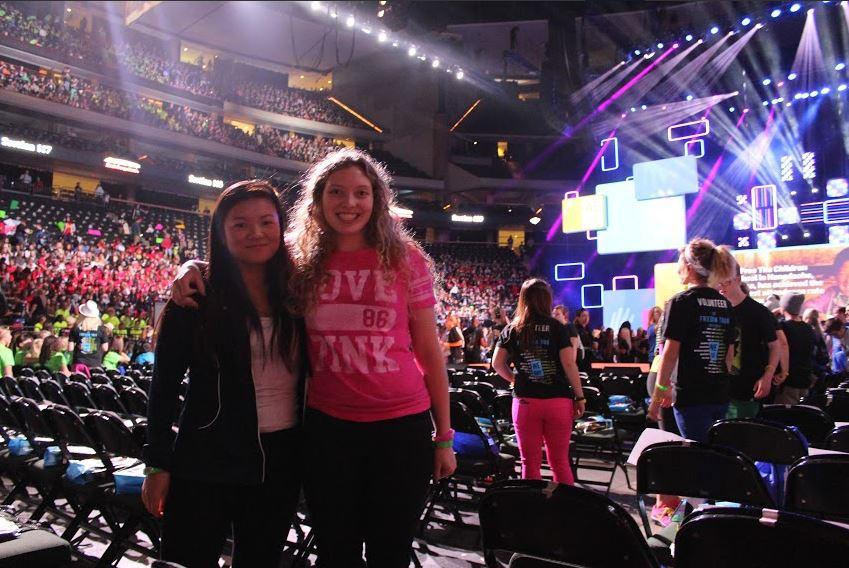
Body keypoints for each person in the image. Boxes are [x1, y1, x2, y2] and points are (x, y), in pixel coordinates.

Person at [169, 149, 456, 567]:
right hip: (328, 431)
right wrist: (189, 265)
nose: (349, 203)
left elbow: (430, 353)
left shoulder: (406, 259)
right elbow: (242, 254)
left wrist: (444, 436)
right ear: (319, 198)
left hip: (402, 429)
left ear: (377, 199)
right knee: (335, 552)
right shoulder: (297, 256)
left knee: (390, 552)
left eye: (361, 193)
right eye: (337, 192)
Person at [142, 180, 306, 567]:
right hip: (206, 458)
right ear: (221, 232)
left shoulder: (300, 293)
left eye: (267, 222)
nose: (256, 233)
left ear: (282, 228)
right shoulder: (195, 296)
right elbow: (163, 388)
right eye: (241, 225)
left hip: (280, 463)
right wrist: (156, 464)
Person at [491, 278, 585, 484]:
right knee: (560, 462)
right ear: (547, 300)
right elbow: (570, 365)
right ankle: (565, 509)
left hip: (525, 402)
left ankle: (532, 511)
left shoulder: (512, 329)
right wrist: (579, 397)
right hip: (558, 402)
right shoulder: (558, 328)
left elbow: (497, 364)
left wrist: (514, 379)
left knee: (529, 462)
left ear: (523, 300)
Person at [648, 238, 737, 442]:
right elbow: (729, 355)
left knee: (697, 457)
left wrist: (657, 396)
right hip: (719, 395)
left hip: (691, 396)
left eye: (679, 262)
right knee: (714, 453)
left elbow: (670, 353)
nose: (677, 268)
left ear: (689, 266)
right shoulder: (725, 304)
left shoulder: (680, 302)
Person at [717, 268, 780, 418]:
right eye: (718, 282)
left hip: (746, 388)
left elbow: (776, 345)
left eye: (726, 281)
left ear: (738, 279)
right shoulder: (718, 308)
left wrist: (768, 375)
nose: (721, 286)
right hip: (718, 389)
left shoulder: (759, 311)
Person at [773, 293, 816, 405]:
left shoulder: (782, 327)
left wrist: (771, 315)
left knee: (786, 418)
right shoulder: (808, 329)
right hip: (804, 380)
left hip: (787, 382)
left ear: (784, 307)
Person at [68, 300, 109, 376]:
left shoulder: (75, 329)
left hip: (79, 362)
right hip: (95, 363)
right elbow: (105, 348)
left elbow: (70, 348)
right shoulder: (101, 329)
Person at [573, 308, 593, 373]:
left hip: (588, 358)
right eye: (584, 315)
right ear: (578, 317)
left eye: (588, 315)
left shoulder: (588, 329)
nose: (586, 318)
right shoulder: (575, 329)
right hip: (581, 358)